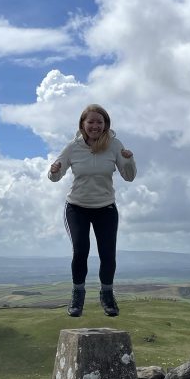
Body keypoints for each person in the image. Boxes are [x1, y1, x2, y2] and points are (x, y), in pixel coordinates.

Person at [48, 104, 136, 318]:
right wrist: (54, 170)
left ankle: (107, 296)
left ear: (106, 124)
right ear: (83, 125)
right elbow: (55, 177)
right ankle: (77, 296)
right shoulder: (72, 147)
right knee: (80, 251)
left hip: (105, 207)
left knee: (108, 254)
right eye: (91, 122)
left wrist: (128, 159)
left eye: (99, 122)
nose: (95, 126)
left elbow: (129, 176)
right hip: (76, 207)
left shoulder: (115, 145)